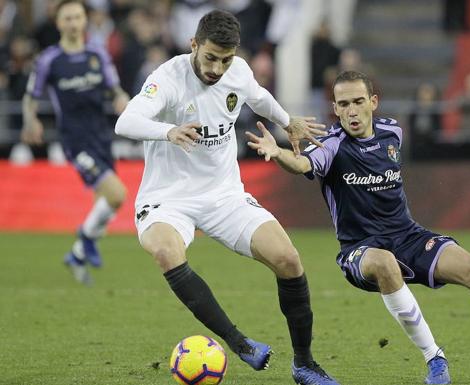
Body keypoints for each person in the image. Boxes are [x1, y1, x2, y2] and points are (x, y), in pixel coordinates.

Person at [246, 70, 470, 384]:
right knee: (385, 264)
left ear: (373, 101)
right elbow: (302, 164)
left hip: (408, 236)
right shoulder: (330, 145)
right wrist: (278, 154)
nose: (351, 110)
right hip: (361, 248)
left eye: (358, 101)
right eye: (343, 104)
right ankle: (435, 359)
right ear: (334, 108)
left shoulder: (392, 132)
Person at [114, 9, 339, 385]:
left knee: (288, 259)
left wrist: (288, 121)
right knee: (166, 252)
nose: (217, 69)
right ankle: (240, 342)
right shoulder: (168, 78)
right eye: (210, 58)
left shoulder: (237, 71)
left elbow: (258, 96)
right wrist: (168, 131)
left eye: (226, 60)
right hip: (168, 197)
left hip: (223, 195)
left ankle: (304, 364)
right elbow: (125, 121)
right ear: (193, 45)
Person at [21, 0, 129, 285]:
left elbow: (114, 89)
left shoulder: (97, 54)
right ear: (58, 23)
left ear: (85, 20)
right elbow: (31, 95)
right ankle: (83, 238)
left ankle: (78, 256)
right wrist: (30, 121)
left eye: (77, 17)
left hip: (101, 136)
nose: (73, 23)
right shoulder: (50, 59)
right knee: (117, 194)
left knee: (104, 209)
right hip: (75, 140)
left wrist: (122, 101)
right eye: (67, 18)